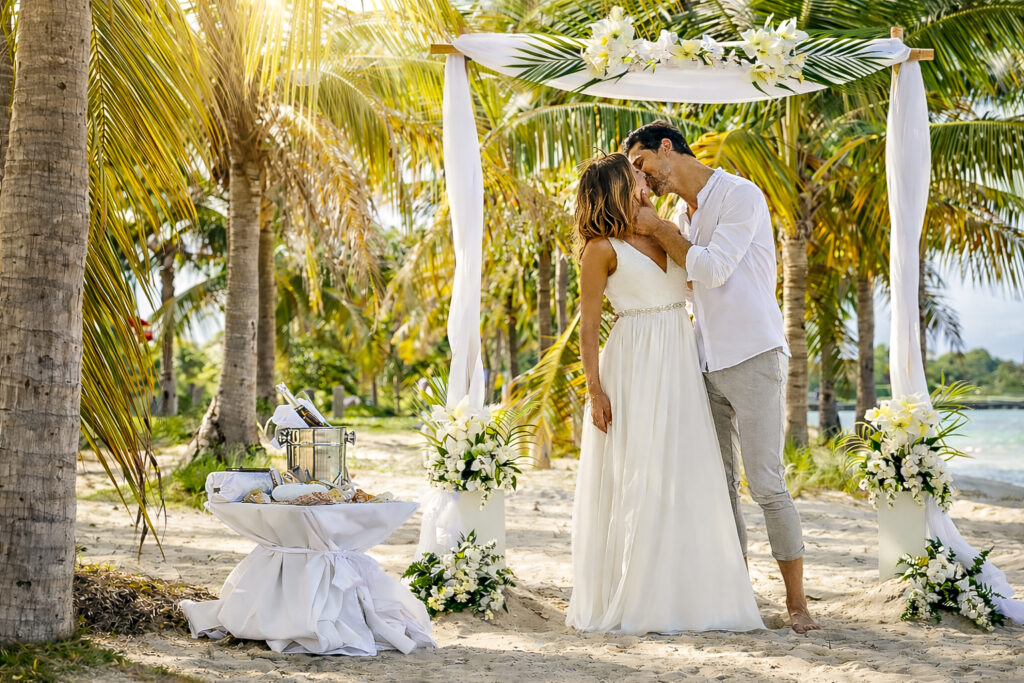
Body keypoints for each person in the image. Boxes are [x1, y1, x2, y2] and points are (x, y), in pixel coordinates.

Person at [624, 120, 820, 633]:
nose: (645, 181)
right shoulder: (681, 219)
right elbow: (686, 286)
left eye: (642, 165)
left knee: (768, 485)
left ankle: (798, 606)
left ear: (666, 148)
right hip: (704, 361)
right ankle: (739, 599)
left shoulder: (739, 195)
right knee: (721, 488)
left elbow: (710, 271)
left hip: (754, 355)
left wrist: (656, 229)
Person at [566, 152, 763, 635]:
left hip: (679, 360)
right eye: (637, 173)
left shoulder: (668, 231)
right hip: (632, 363)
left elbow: (706, 274)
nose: (647, 176)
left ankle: (691, 592)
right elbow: (588, 329)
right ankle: (638, 592)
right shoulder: (601, 249)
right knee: (638, 475)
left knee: (688, 473)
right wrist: (595, 391)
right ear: (619, 185)